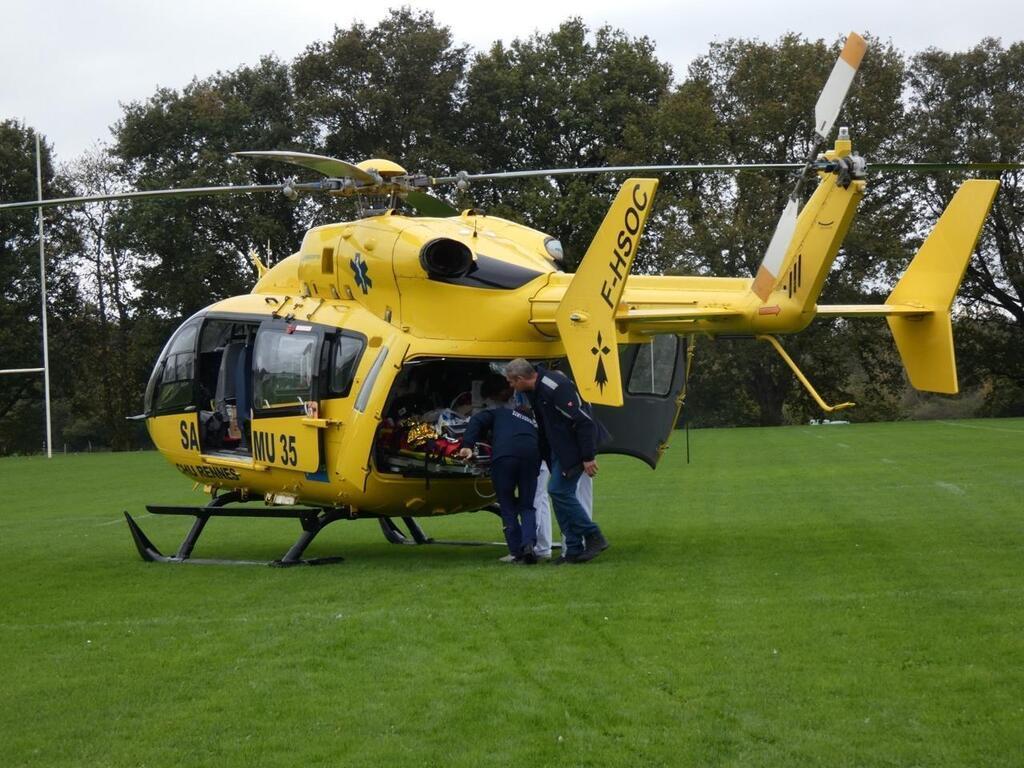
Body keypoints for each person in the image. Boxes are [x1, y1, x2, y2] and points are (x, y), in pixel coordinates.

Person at [504, 358, 609, 564]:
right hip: (557, 449)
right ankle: (573, 550)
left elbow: (584, 422)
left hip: (574, 449)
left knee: (558, 491)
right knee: (560, 495)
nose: (510, 386)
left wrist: (588, 457)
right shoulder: (534, 391)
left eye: (511, 382)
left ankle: (593, 535)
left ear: (520, 378)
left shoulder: (555, 388)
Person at [458, 398, 541, 564]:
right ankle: (529, 544)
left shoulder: (501, 413)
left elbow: (477, 420)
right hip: (531, 458)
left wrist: (467, 444)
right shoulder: (533, 425)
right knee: (527, 505)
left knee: (507, 505)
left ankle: (516, 551)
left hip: (504, 457)